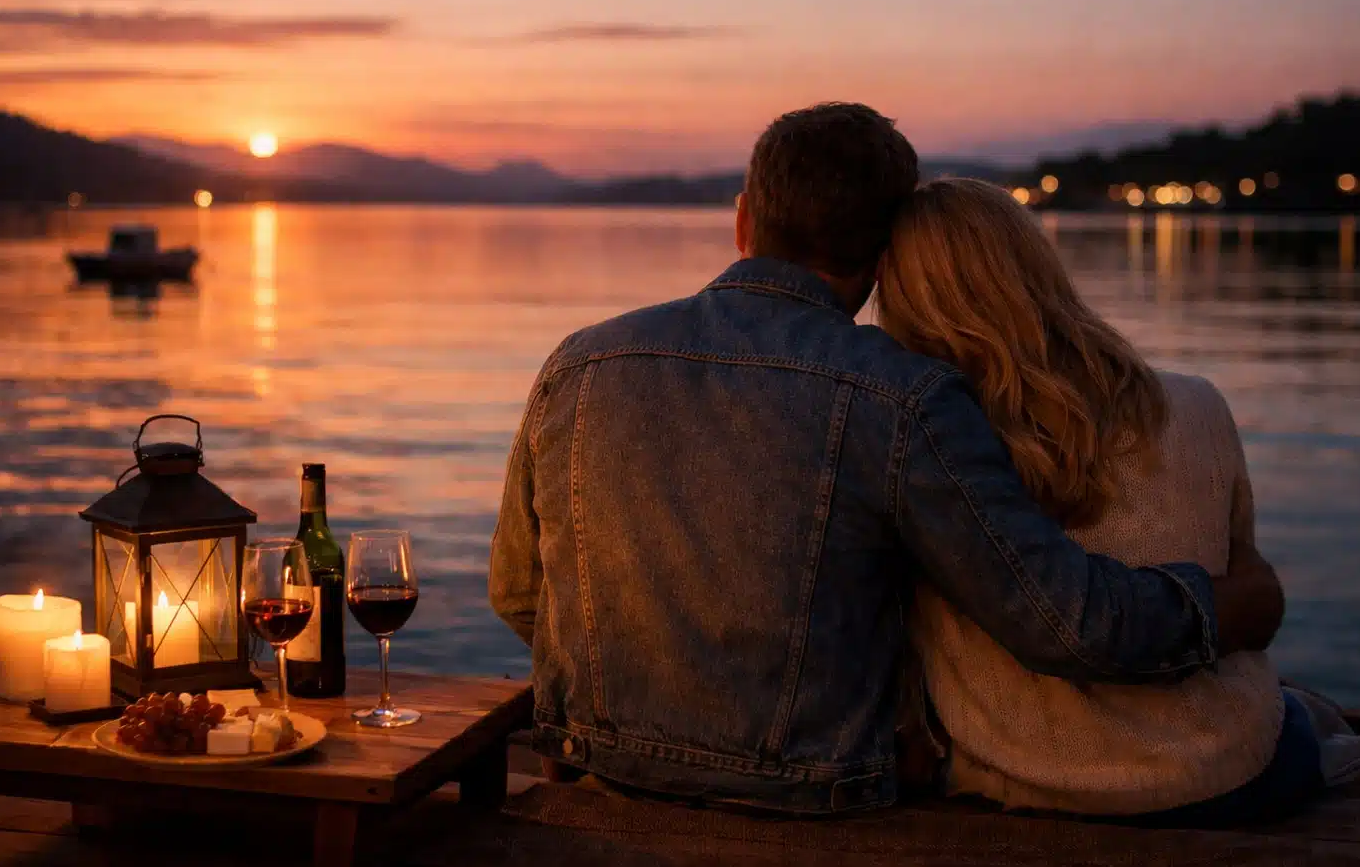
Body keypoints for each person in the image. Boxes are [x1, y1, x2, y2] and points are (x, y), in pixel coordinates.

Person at [489, 103, 1285, 815]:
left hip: (606, 764)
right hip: (809, 791)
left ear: (743, 220)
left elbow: (520, 594)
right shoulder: (903, 395)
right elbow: (1062, 623)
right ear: (882, 259)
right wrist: (1225, 607)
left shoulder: (580, 362)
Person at [876, 176, 1341, 824]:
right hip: (1224, 770)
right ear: (1037, 266)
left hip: (1025, 775)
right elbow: (1246, 572)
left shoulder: (926, 446)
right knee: (1305, 715)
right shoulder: (1197, 404)